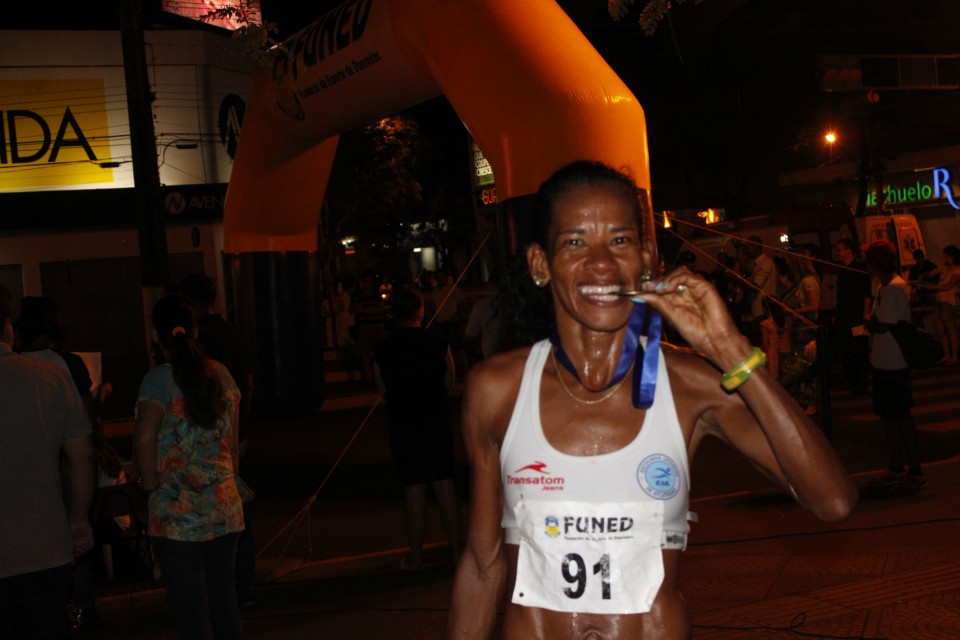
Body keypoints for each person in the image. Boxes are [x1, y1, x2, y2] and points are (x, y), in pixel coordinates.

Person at [447, 161, 856, 640]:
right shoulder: (496, 390)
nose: (601, 263)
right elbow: (482, 565)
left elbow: (832, 502)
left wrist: (729, 350)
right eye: (575, 242)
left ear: (646, 256)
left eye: (619, 241)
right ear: (541, 264)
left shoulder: (691, 384)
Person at [133, 294, 245, 640]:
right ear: (194, 329)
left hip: (175, 515)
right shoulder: (221, 374)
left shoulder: (156, 380)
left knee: (191, 613)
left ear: (156, 335)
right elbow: (232, 443)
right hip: (224, 507)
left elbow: (142, 440)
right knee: (225, 605)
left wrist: (150, 483)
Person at [0, 285, 97, 639]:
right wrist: (78, 519)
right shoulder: (53, 378)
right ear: (8, 327)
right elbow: (81, 455)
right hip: (45, 546)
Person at [179, 273, 258, 609]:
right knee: (237, 506)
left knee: (209, 511)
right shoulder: (232, 331)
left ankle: (221, 591)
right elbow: (249, 383)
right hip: (236, 430)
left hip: (211, 434)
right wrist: (240, 426)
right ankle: (244, 587)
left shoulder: (201, 342)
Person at [374, 288, 461, 570]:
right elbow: (450, 379)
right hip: (436, 419)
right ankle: (458, 552)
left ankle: (415, 555)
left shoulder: (384, 348)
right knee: (444, 486)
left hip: (404, 422)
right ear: (420, 311)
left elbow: (382, 389)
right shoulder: (438, 340)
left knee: (414, 490)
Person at [863, 240, 926, 491]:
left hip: (893, 360)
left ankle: (914, 470)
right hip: (885, 360)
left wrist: (869, 322)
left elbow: (883, 325)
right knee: (891, 417)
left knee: (900, 417)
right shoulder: (886, 286)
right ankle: (898, 467)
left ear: (876, 263)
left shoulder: (892, 289)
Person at [833, 239, 873, 395]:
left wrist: (865, 314)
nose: (838, 253)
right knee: (846, 349)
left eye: (840, 249)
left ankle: (861, 382)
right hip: (844, 314)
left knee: (859, 349)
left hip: (856, 314)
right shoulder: (842, 269)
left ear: (849, 250)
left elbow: (866, 294)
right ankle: (851, 380)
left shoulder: (859, 268)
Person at [931, 245, 959, 365]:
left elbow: (948, 285)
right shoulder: (944, 268)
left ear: (954, 257)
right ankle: (946, 356)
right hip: (939, 300)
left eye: (947, 257)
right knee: (940, 329)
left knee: (950, 329)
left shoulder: (957, 270)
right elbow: (931, 273)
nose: (945, 259)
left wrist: (931, 287)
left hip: (949, 302)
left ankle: (954, 357)